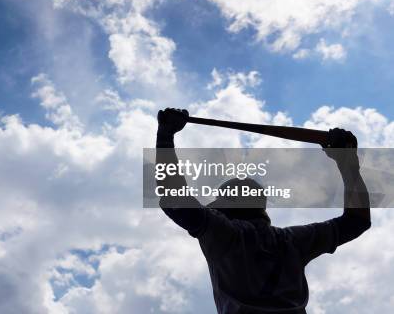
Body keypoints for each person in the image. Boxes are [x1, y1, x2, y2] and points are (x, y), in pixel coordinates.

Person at [156, 108, 371, 314]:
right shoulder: (293, 241)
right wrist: (348, 165)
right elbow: (357, 220)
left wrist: (165, 137)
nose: (215, 208)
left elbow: (173, 196)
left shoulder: (225, 234)